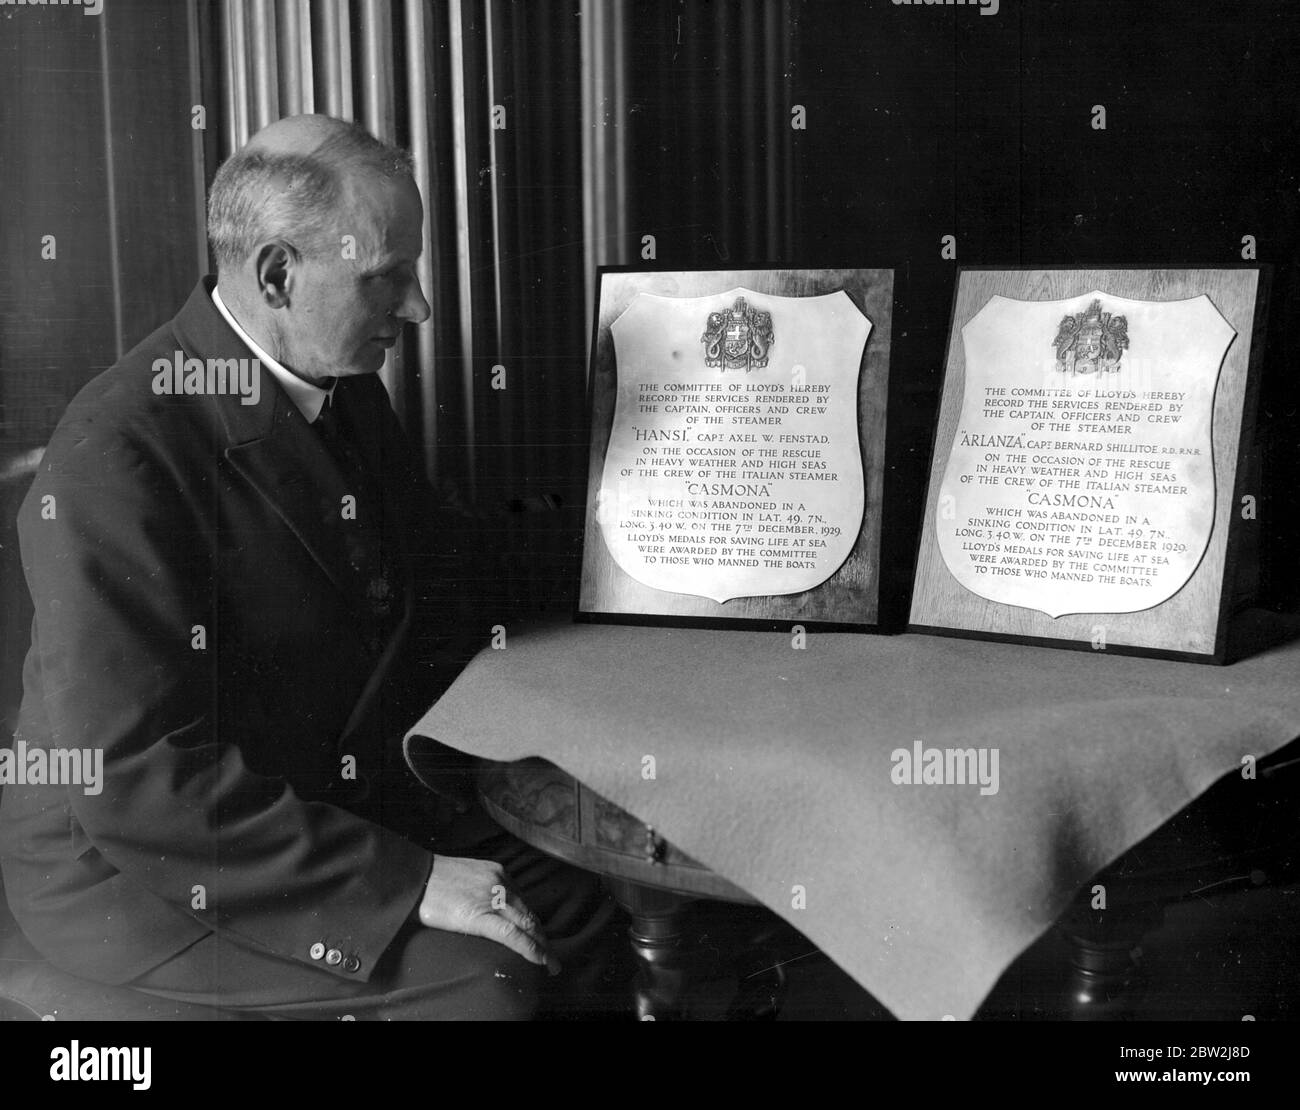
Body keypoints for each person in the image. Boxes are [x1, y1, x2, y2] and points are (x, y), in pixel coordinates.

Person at [0, 114, 620, 1020]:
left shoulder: (334, 380)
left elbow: (437, 562)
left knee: (582, 902)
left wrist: (633, 542)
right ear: (279, 275)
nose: (418, 310)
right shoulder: (116, 450)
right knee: (493, 990)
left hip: (309, 800)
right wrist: (406, 884)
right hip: (141, 872)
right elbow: (132, 781)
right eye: (387, 278)